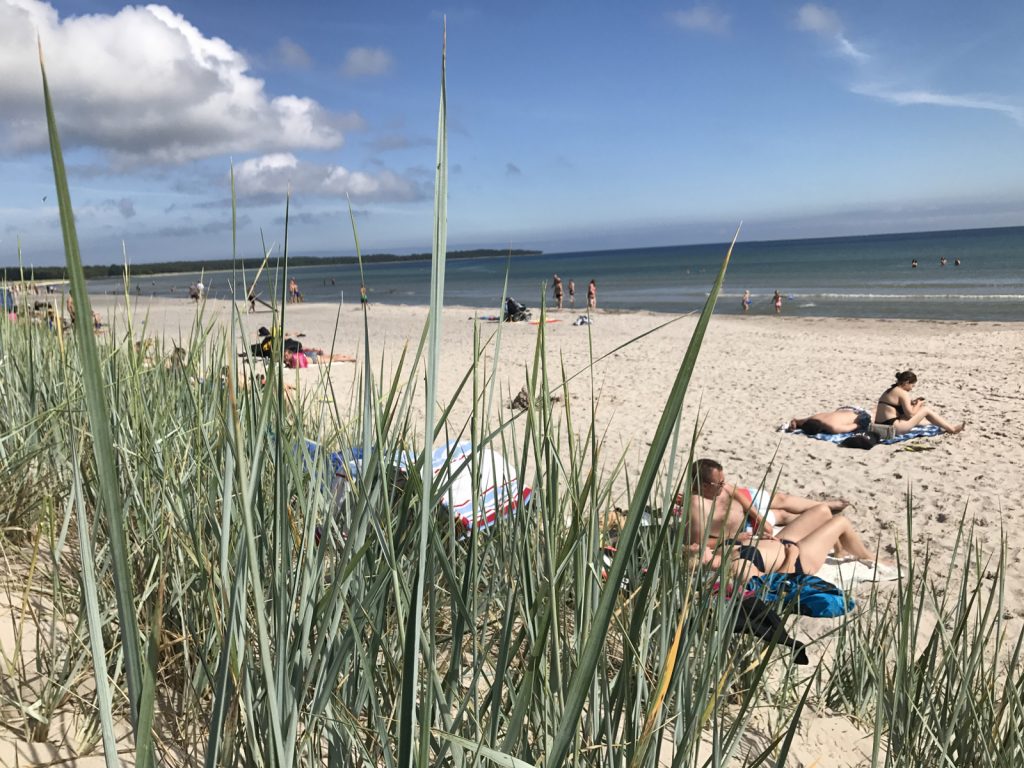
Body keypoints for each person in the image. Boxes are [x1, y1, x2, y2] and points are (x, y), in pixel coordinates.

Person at [685, 459, 879, 574]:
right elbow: (697, 545)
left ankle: (839, 550)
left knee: (822, 510)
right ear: (702, 484)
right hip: (794, 556)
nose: (722, 485)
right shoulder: (698, 506)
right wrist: (734, 539)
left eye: (723, 481)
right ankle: (869, 558)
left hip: (774, 541)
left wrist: (760, 524)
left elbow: (744, 501)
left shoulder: (724, 489)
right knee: (839, 521)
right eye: (717, 484)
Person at [875, 370, 964, 434]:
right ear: (906, 382)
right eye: (912, 385)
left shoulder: (891, 390)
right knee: (925, 410)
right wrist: (918, 404)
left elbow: (898, 409)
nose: (912, 388)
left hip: (880, 426)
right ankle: (952, 429)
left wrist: (913, 404)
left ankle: (943, 425)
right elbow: (910, 415)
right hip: (893, 428)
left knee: (922, 418)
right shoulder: (903, 392)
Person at [786, 407, 870, 435]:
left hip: (859, 414)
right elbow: (795, 421)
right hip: (845, 408)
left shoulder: (833, 428)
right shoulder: (813, 418)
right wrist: (794, 425)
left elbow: (856, 425)